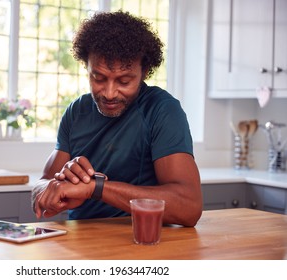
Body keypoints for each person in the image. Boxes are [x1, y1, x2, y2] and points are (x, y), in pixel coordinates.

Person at [32, 10, 202, 227]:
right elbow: (41, 185)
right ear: (87, 68)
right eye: (99, 78)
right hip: (81, 242)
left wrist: (96, 188)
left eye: (123, 81)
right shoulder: (76, 112)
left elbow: (189, 207)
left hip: (140, 241)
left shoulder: (162, 110)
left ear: (145, 71)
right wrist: (53, 191)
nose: (110, 93)